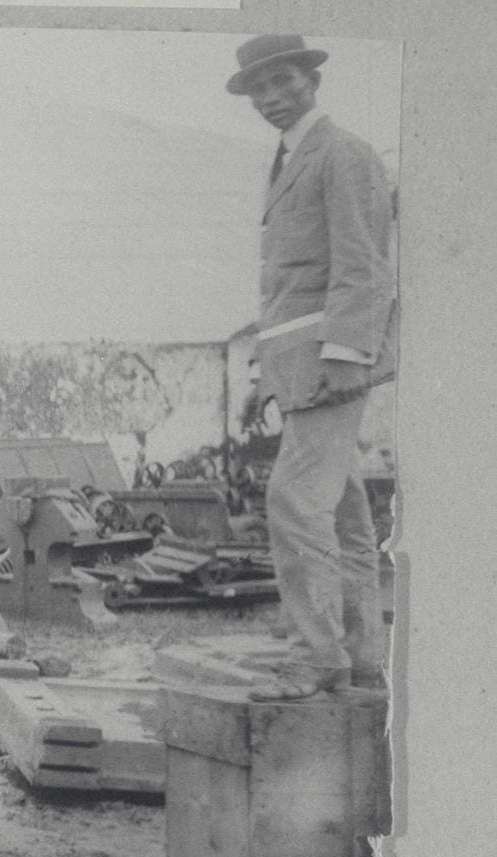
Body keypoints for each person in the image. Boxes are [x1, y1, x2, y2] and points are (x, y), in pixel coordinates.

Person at [224, 34, 395, 702]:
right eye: (260, 89)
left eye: (283, 82)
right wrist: (269, 376)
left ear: (311, 81)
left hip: (334, 365)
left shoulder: (342, 153)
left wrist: (348, 355)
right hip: (301, 368)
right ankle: (361, 657)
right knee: (346, 518)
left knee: (293, 504)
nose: (273, 98)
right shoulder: (289, 158)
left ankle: (316, 656)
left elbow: (363, 266)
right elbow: (291, 288)